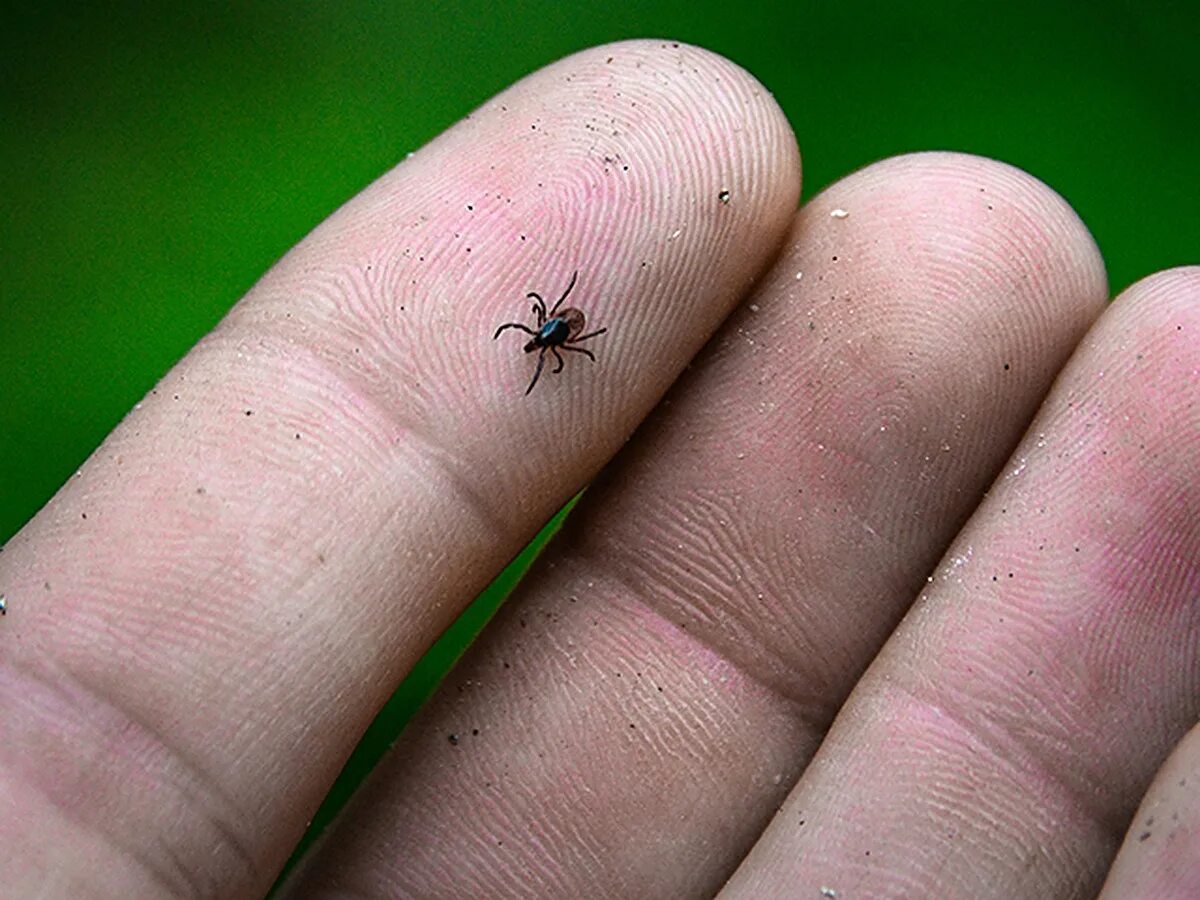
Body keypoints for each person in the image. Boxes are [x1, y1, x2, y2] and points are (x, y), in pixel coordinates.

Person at [2, 40, 1196, 899]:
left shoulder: (555, 328)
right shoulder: (557, 329)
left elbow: (561, 321)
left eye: (551, 332)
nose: (549, 338)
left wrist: (550, 327)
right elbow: (561, 322)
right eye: (546, 335)